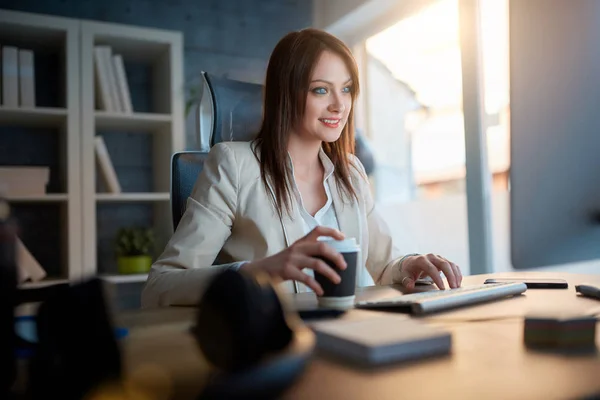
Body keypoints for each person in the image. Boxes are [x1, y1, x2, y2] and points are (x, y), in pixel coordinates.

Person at [141, 28, 462, 308]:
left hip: (348, 340)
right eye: (321, 89)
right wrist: (263, 270)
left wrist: (411, 265)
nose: (339, 104)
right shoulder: (233, 166)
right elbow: (161, 284)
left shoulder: (350, 172)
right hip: (271, 347)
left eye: (346, 88)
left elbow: (386, 264)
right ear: (286, 94)